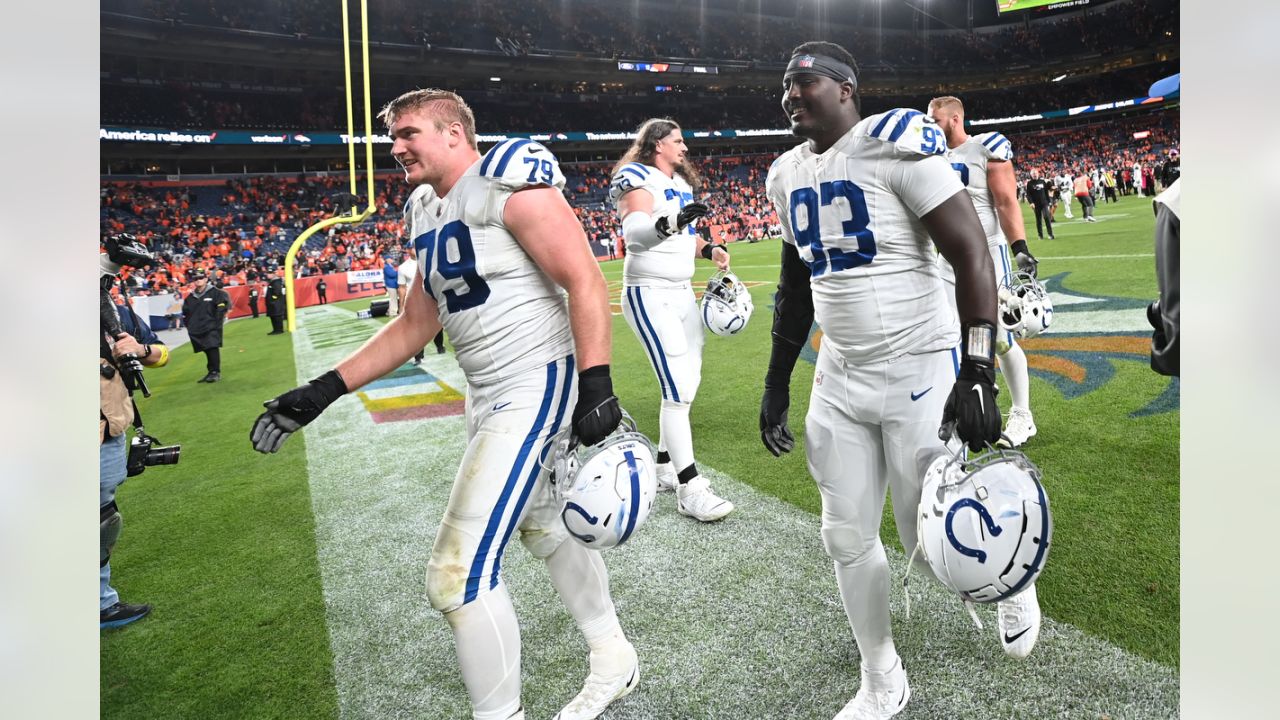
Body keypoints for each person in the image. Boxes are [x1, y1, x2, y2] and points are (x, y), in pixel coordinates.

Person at [251, 89, 638, 720]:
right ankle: (613, 656)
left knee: (456, 577)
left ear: (454, 132)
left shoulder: (509, 179)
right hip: (485, 391)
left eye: (407, 133)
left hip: (537, 380)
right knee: (541, 525)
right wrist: (323, 389)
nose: (395, 147)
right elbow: (414, 323)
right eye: (392, 137)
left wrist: (597, 382)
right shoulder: (423, 208)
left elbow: (585, 279)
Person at [760, 42, 1022, 720]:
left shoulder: (896, 145)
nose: (790, 96)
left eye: (803, 83)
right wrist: (777, 380)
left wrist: (978, 365)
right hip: (841, 374)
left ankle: (1010, 569)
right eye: (784, 86)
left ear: (846, 88)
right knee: (845, 536)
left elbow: (971, 254)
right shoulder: (784, 174)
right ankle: (881, 676)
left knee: (926, 537)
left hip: (919, 361)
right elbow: (795, 288)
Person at [608, 117, 735, 522]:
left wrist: (708, 248)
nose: (684, 147)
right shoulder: (635, 176)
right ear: (657, 144)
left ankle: (664, 464)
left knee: (688, 384)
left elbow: (685, 235)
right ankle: (689, 486)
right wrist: (674, 222)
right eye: (677, 140)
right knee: (677, 389)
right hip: (650, 292)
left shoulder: (679, 185)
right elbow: (636, 234)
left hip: (682, 291)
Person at [927, 96, 1040, 448]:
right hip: (945, 260)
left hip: (987, 254)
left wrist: (1019, 247)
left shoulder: (984, 148)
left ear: (955, 118)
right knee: (950, 336)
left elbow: (1006, 200)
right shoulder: (929, 155)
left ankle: (1022, 415)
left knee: (999, 339)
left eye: (935, 119)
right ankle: (963, 411)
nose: (929, 125)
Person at [100, 256, 170, 629]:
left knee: (102, 517)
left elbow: (162, 353)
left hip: (109, 429)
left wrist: (138, 350)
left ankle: (99, 603)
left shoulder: (118, 313)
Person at [182, 270, 230, 383]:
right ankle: (211, 371)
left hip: (211, 326)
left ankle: (215, 372)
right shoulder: (190, 297)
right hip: (197, 328)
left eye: (200, 278)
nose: (198, 280)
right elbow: (186, 313)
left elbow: (222, 307)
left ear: (205, 279)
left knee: (212, 347)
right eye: (196, 278)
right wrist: (189, 326)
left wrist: (216, 322)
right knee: (206, 349)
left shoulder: (215, 293)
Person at [396, 244, 433, 363]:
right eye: (412, 247)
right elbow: (402, 288)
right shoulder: (403, 267)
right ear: (407, 250)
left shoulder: (429, 260)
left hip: (431, 298)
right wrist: (401, 307)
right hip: (414, 301)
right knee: (417, 330)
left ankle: (440, 346)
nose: (415, 249)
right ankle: (418, 355)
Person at [1024, 167, 1055, 240]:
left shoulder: (1042, 181)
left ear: (1038, 174)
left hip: (1044, 203)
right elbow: (1028, 194)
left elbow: (1046, 192)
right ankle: (1040, 235)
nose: (1034, 175)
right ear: (1031, 175)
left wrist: (1049, 202)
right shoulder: (1029, 183)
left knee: (1047, 217)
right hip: (1035, 204)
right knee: (1038, 220)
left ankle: (1050, 234)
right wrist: (1031, 202)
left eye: (1035, 173)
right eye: (1033, 174)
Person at [266, 270, 286, 335]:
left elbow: (277, 292)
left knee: (277, 316)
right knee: (273, 316)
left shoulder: (276, 282)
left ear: (273, 274)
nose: (268, 275)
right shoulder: (272, 282)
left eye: (269, 273)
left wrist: (273, 299)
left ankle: (279, 330)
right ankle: (275, 329)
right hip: (273, 303)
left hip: (276, 303)